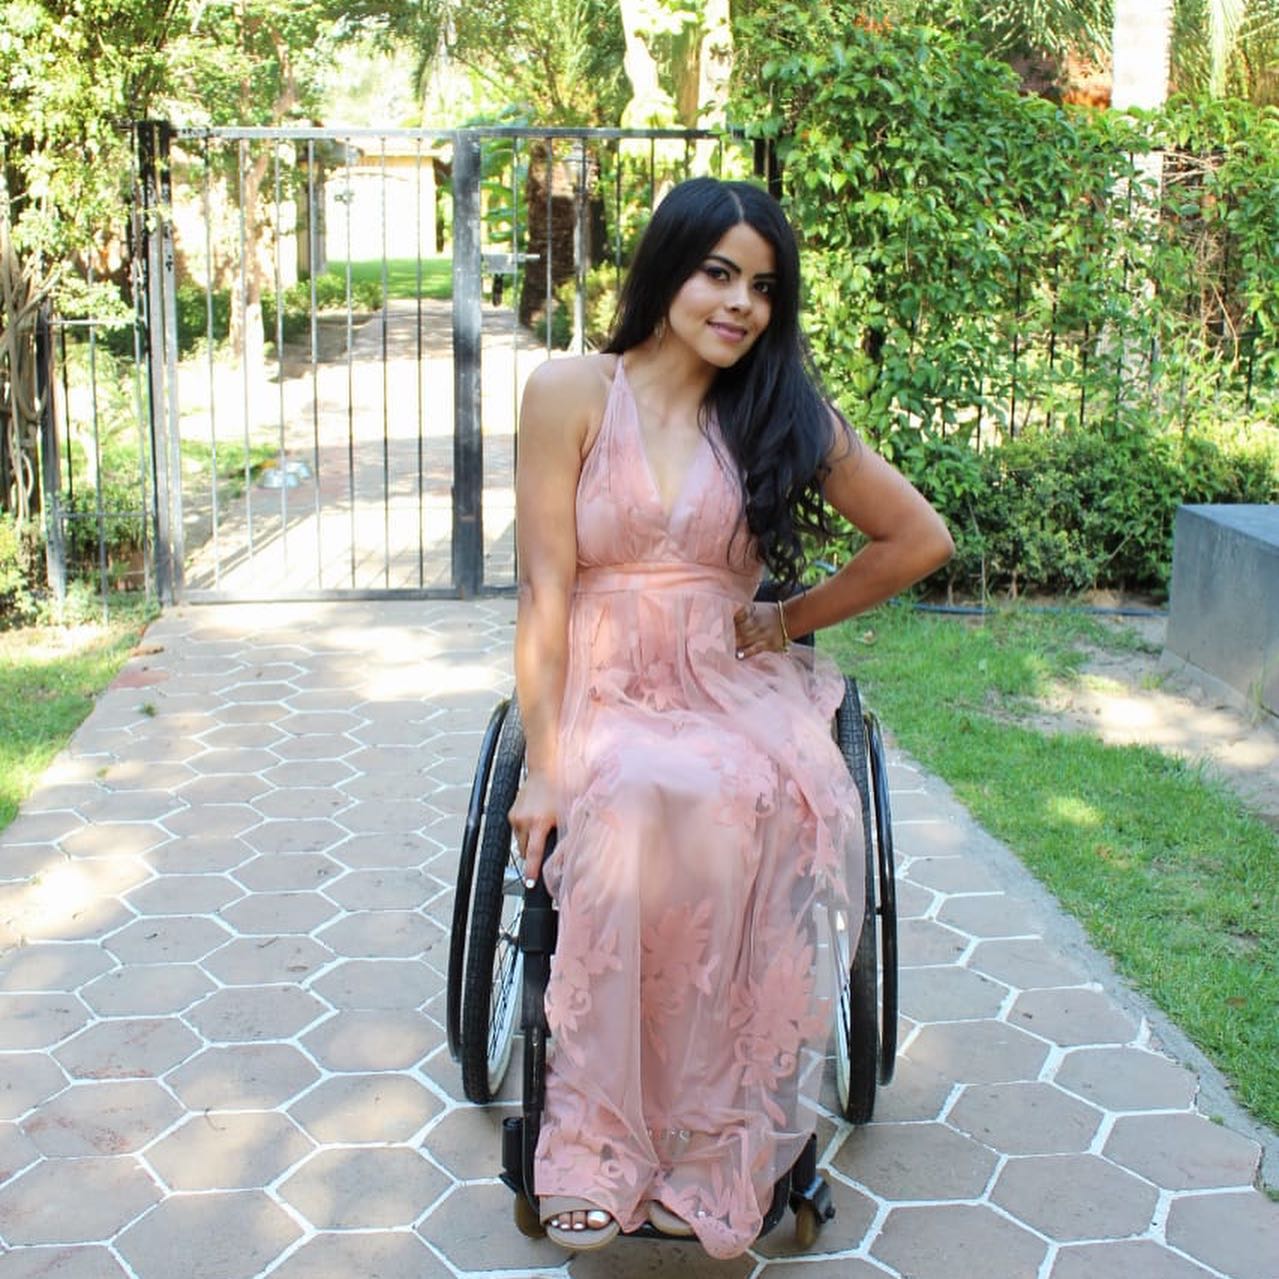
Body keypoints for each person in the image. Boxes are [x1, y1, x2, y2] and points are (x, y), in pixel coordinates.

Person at [508, 176, 953, 1259]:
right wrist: (542, 765)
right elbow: (543, 589)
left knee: (740, 801)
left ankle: (712, 1147)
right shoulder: (570, 392)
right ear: (667, 269)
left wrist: (789, 617)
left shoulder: (778, 412)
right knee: (624, 798)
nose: (740, 304)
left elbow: (918, 537)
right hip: (605, 681)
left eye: (762, 286)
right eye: (718, 273)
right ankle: (596, 1144)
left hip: (723, 682)